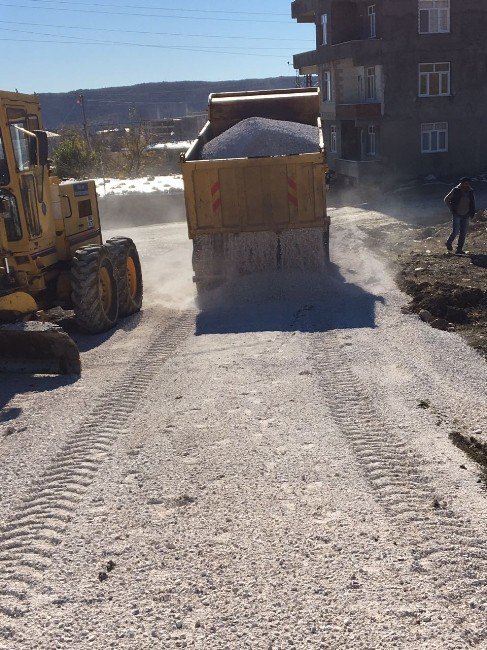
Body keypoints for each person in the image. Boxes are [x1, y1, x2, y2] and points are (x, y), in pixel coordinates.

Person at [444, 177, 476, 255]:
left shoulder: (470, 191)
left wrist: (472, 212)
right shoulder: (456, 190)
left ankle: (459, 250)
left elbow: (472, 202)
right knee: (455, 231)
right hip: (457, 214)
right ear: (461, 183)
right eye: (465, 183)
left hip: (466, 214)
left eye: (468, 183)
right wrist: (452, 209)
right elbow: (446, 199)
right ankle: (449, 242)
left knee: (463, 233)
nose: (467, 185)